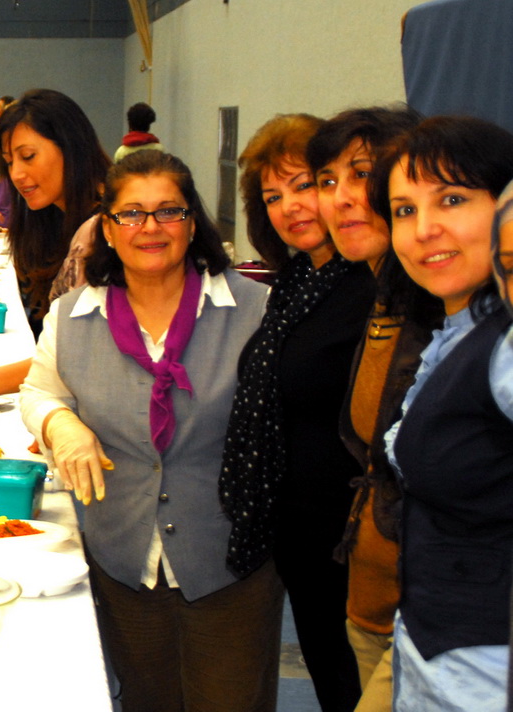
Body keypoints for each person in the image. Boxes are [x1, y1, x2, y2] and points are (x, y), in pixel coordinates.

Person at [21, 150, 280, 711]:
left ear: (193, 223)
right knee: (145, 700)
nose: (151, 227)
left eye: (169, 211)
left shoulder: (256, 310)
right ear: (108, 229)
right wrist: (62, 424)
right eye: (131, 214)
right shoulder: (71, 316)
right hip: (124, 558)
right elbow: (39, 391)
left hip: (231, 562)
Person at [219, 113, 372, 712]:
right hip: (301, 537)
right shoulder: (296, 282)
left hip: (347, 542)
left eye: (305, 185)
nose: (290, 207)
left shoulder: (369, 285)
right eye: (272, 196)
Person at [369, 115, 513, 712]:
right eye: (404, 210)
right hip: (433, 655)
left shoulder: (503, 348)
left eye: (452, 199)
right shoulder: (455, 331)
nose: (424, 229)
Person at [304, 105, 427, 712]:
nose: (342, 198)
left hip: (426, 622)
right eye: (328, 181)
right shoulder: (380, 301)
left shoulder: (444, 318)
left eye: (363, 175)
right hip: (367, 599)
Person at [0, 88, 111, 427]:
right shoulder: (52, 221)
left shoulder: (106, 230)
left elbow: (91, 353)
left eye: (28, 157)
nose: (16, 174)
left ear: (71, 147)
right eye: (10, 162)